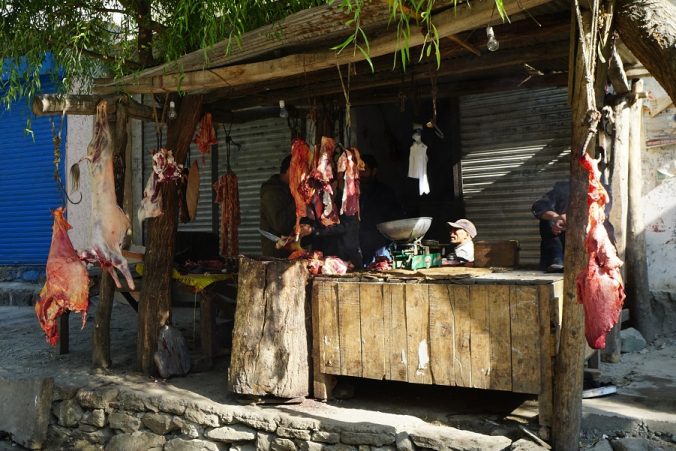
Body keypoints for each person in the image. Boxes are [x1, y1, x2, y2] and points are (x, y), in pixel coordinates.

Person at [359, 154, 406, 265]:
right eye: (359, 170)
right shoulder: (354, 192)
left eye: (364, 170)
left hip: (381, 245)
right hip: (360, 244)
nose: (361, 174)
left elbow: (397, 216)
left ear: (374, 171)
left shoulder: (385, 192)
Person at [259, 155, 295, 257]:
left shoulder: (289, 189)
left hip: (292, 251)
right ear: (289, 170)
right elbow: (281, 224)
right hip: (276, 255)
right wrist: (298, 201)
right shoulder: (271, 192)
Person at [531, 181, 569, 272]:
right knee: (547, 221)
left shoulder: (597, 192)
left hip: (582, 239)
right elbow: (538, 206)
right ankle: (556, 260)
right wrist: (556, 217)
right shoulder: (561, 191)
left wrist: (573, 221)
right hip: (558, 238)